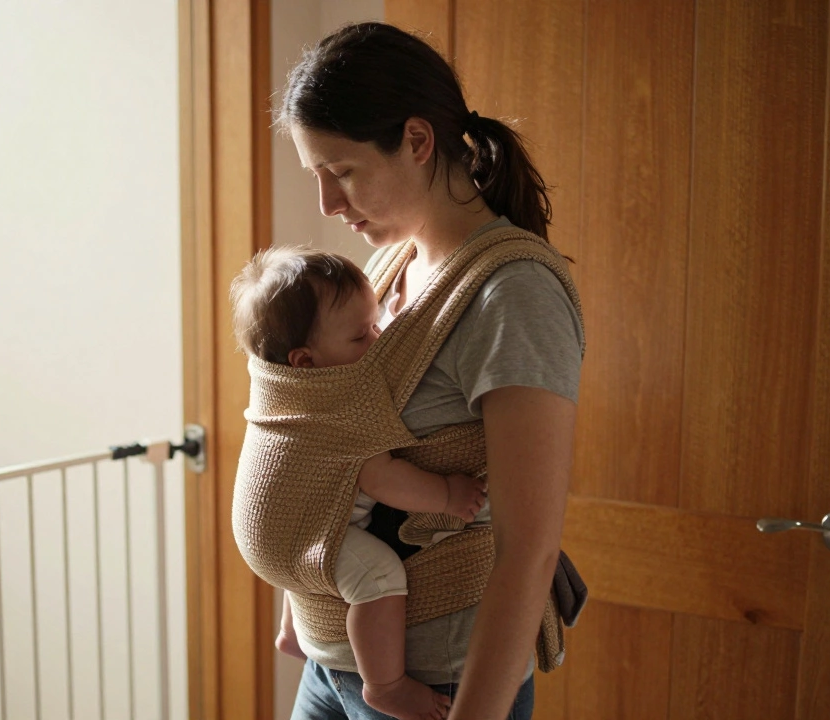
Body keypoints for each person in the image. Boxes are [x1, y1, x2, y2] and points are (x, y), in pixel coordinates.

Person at [275, 21, 584, 720]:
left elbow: (528, 554)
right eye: (316, 177)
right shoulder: (390, 267)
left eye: (342, 172)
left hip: (435, 684)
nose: (327, 204)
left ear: (417, 140)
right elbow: (324, 441)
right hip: (332, 663)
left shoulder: (514, 295)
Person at [230, 246, 491, 720]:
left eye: (375, 324)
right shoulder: (338, 404)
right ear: (304, 362)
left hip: (271, 532)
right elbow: (384, 477)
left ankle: (291, 634)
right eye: (361, 335)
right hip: (291, 537)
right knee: (379, 578)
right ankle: (385, 685)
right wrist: (449, 495)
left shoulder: (288, 388)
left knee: (308, 544)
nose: (378, 339)